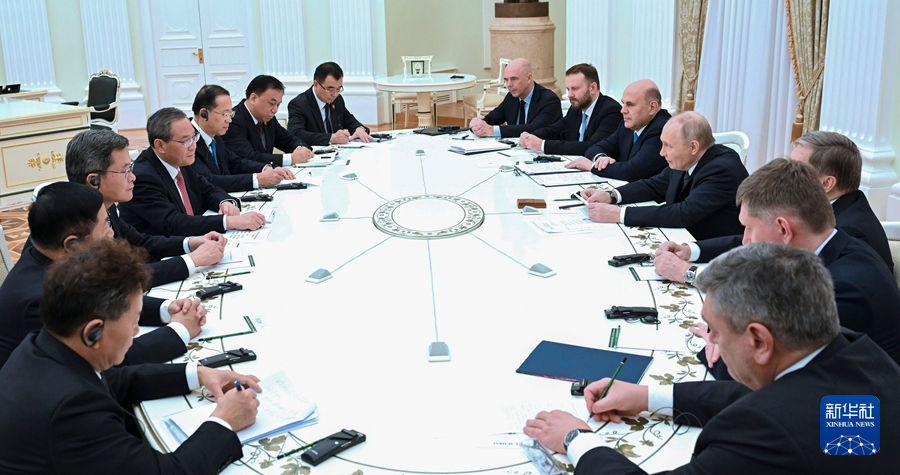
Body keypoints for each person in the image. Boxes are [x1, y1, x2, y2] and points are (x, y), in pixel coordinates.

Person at [524, 242, 900, 474]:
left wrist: (577, 440)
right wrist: (647, 397)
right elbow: (770, 399)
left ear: (759, 340)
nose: (711, 340)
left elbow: (772, 415)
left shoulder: (766, 432)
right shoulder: (859, 353)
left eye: (715, 330)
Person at [0, 238, 260, 474]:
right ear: (93, 332)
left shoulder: (42, 345)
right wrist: (224, 421)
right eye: (134, 321)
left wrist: (198, 374)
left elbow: (115, 380)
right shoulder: (74, 412)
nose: (136, 331)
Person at [658, 158, 900, 373]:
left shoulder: (843, 289)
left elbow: (760, 374)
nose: (745, 240)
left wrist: (723, 340)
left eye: (749, 228)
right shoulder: (827, 246)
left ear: (784, 229)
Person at [0, 183, 204, 370]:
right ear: (73, 244)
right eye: (105, 226)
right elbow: (105, 365)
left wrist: (167, 309)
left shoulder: (51, 256)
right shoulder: (40, 298)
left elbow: (103, 300)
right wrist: (179, 331)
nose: (111, 233)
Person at [658, 131, 893, 272]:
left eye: (797, 168)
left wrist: (690, 274)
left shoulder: (848, 231)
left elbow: (790, 290)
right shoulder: (827, 207)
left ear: (826, 184)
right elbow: (757, 241)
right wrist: (691, 250)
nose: (785, 173)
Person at [65, 128, 226, 286]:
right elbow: (117, 280)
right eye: (125, 171)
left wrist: (191, 244)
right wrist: (193, 260)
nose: (133, 177)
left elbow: (139, 241)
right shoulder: (78, 224)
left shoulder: (106, 206)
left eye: (131, 168)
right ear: (94, 181)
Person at [582, 111, 747, 240]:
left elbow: (683, 214)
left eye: (668, 146)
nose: (662, 153)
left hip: (713, 252)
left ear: (693, 147)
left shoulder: (721, 170)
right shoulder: (686, 159)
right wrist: (611, 195)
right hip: (682, 237)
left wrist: (618, 214)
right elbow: (655, 185)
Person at [118, 107, 266, 237]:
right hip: (160, 254)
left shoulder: (180, 160)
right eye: (186, 141)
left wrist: (225, 202)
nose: (193, 146)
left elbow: (207, 189)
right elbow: (174, 223)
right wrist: (228, 222)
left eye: (194, 137)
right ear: (160, 145)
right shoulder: (142, 177)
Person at [191, 84, 295, 192]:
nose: (229, 120)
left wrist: (266, 168)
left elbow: (235, 163)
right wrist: (257, 179)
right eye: (224, 114)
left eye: (230, 114)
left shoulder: (215, 137)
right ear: (204, 114)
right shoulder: (188, 141)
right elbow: (209, 180)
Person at [565, 79, 671, 182]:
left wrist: (592, 166)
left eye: (630, 104)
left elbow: (632, 171)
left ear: (652, 107)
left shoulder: (663, 129)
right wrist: (600, 158)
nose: (623, 110)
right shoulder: (628, 125)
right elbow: (595, 147)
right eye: (623, 103)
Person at [519, 63, 621, 156]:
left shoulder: (611, 111)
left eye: (575, 88)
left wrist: (543, 145)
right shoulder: (576, 108)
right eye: (568, 89)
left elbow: (591, 146)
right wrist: (531, 136)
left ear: (593, 88)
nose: (569, 95)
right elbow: (554, 129)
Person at [223, 74, 314, 166]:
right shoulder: (233, 121)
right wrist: (291, 159)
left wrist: (300, 149)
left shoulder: (268, 118)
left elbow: (287, 139)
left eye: (278, 104)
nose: (275, 110)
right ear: (253, 99)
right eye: (271, 103)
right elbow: (248, 157)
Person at [468, 58, 562, 138]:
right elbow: (493, 117)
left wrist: (491, 130)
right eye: (506, 80)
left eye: (514, 79)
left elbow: (533, 129)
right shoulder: (512, 97)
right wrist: (478, 124)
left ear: (529, 78)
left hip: (543, 151)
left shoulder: (549, 100)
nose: (509, 84)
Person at [287, 62, 372, 145]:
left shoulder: (337, 99)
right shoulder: (299, 104)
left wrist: (359, 129)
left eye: (338, 89)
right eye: (330, 89)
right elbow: (295, 133)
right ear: (316, 84)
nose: (335, 94)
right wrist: (330, 138)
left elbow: (349, 120)